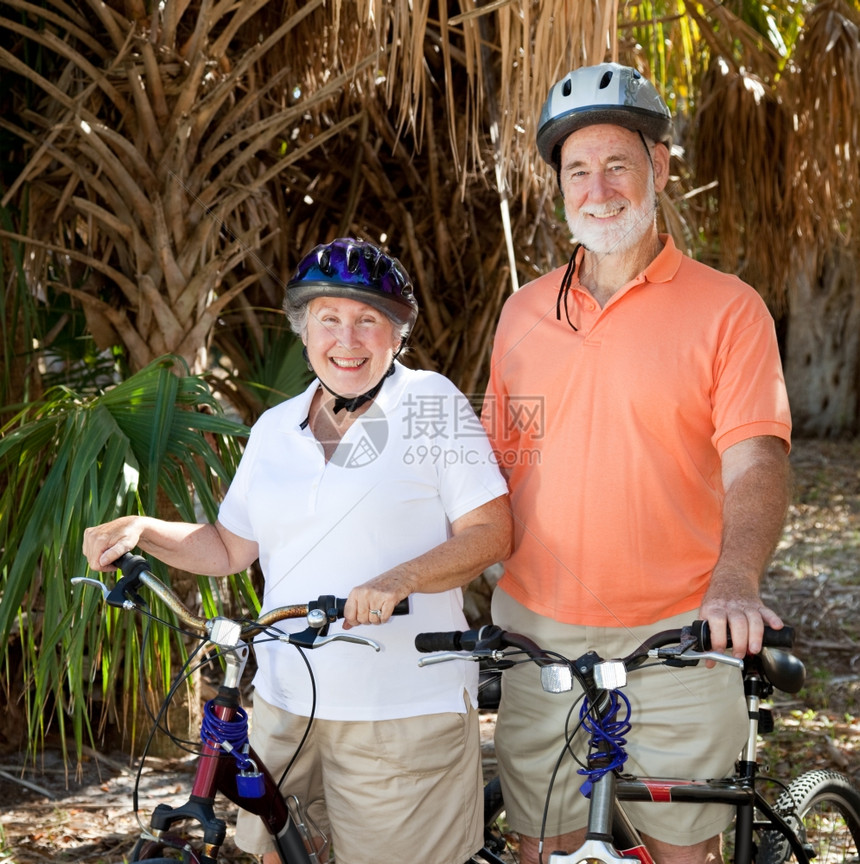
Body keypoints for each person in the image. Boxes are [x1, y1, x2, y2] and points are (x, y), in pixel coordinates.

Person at [83, 238, 512, 864]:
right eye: (329, 319)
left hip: (400, 711)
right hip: (284, 707)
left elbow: (492, 533)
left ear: (396, 336)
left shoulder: (430, 403)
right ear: (304, 332)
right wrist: (143, 528)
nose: (348, 338)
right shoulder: (274, 428)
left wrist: (399, 579)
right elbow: (230, 546)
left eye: (369, 320)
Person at [481, 62, 792, 864]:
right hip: (540, 634)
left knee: (678, 852)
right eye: (578, 170)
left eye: (618, 163)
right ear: (560, 187)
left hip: (679, 633)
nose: (599, 187)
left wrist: (737, 577)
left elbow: (755, 459)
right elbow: (499, 468)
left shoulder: (729, 309)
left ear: (659, 167)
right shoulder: (523, 314)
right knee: (540, 849)